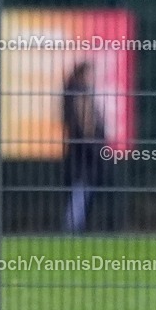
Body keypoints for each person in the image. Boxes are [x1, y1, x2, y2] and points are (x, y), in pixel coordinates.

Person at [62, 61, 107, 233]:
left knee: (82, 187)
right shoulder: (80, 93)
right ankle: (73, 225)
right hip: (85, 150)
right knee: (82, 187)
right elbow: (85, 122)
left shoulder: (73, 92)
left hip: (82, 148)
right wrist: (94, 144)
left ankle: (74, 224)